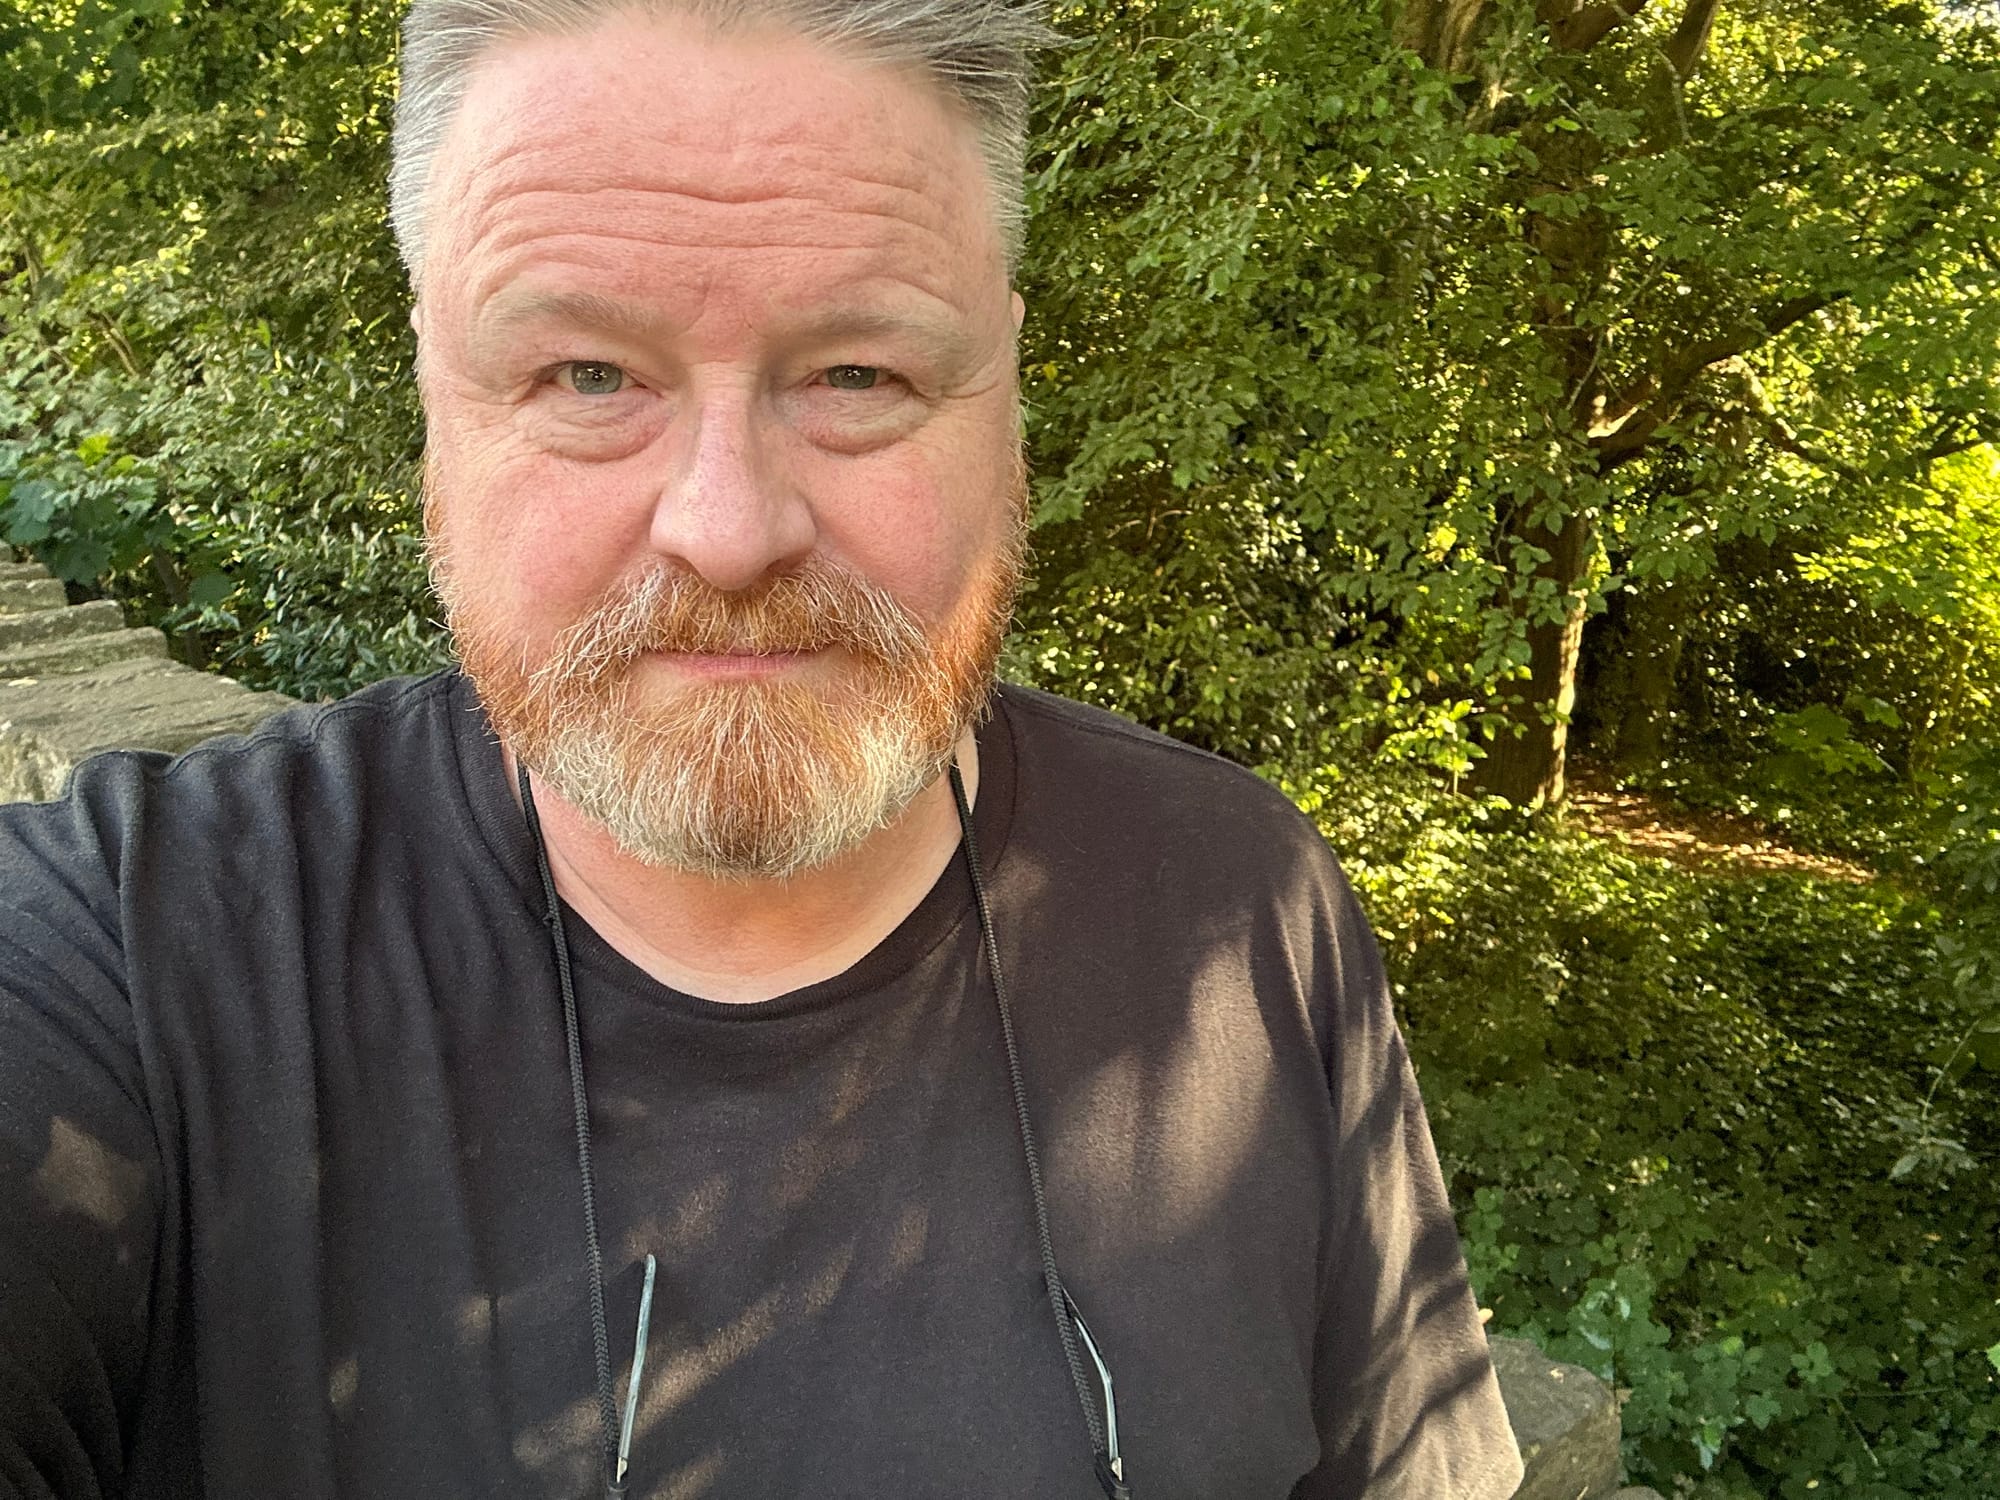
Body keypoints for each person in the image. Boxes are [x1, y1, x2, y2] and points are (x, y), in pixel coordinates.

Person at [0, 2, 1525, 1496]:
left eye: (859, 374)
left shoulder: (1243, 911)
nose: (728, 533)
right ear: (435, 393)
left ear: (1003, 390)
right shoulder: (127, 969)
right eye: (588, 376)